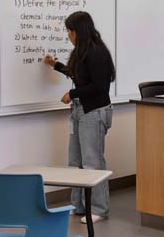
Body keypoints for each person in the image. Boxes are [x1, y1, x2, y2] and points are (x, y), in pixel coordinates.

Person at [43, 11, 114, 223]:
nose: (68, 35)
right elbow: (79, 76)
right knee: (75, 162)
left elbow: (99, 86)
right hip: (79, 111)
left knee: (93, 162)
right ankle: (79, 205)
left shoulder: (97, 52)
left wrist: (72, 93)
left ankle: (99, 209)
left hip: (94, 112)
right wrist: (55, 65)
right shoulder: (81, 51)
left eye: (69, 31)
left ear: (78, 31)